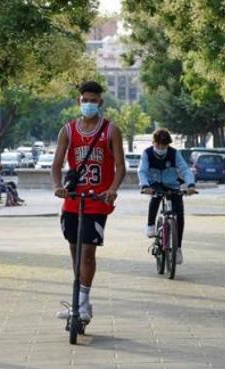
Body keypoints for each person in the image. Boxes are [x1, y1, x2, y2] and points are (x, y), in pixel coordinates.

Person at [51, 80, 125, 322]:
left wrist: (112, 189)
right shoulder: (68, 130)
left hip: (97, 200)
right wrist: (58, 186)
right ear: (78, 101)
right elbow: (56, 164)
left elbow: (120, 167)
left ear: (100, 102)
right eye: (85, 100)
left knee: (88, 253)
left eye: (94, 101)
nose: (89, 104)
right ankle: (79, 302)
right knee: (74, 250)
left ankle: (82, 304)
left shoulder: (111, 130)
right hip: (73, 199)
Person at [139, 129, 197, 265]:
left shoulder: (174, 153)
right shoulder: (147, 153)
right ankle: (150, 225)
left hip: (172, 184)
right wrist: (144, 186)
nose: (161, 149)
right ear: (153, 143)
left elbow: (185, 169)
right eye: (158, 145)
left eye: (164, 146)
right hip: (155, 183)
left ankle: (177, 249)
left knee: (180, 214)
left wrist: (191, 185)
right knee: (155, 197)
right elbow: (142, 171)